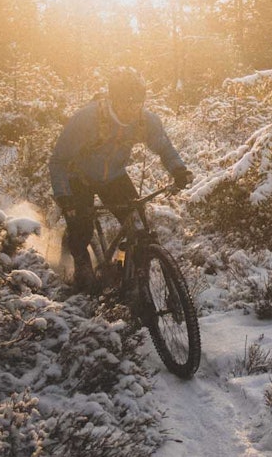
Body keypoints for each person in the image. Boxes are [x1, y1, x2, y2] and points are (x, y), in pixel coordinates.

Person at [47, 67, 192, 291]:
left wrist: (179, 170)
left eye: (138, 103)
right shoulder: (87, 119)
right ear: (113, 99)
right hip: (78, 177)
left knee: (137, 227)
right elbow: (58, 160)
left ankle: (123, 267)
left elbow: (164, 148)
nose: (132, 110)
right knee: (81, 227)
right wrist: (64, 196)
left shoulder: (146, 121)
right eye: (127, 103)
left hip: (114, 176)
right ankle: (80, 266)